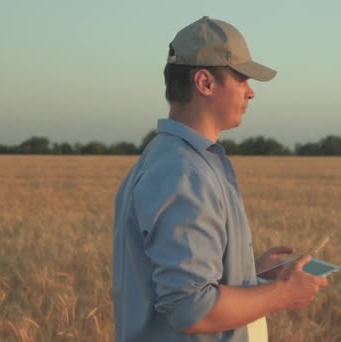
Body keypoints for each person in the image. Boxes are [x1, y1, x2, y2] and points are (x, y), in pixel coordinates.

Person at [112, 16, 329, 341]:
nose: (251, 92)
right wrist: (283, 293)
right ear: (205, 82)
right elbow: (190, 307)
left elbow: (179, 285)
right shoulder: (185, 173)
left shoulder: (167, 157)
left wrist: (246, 273)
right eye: (242, 79)